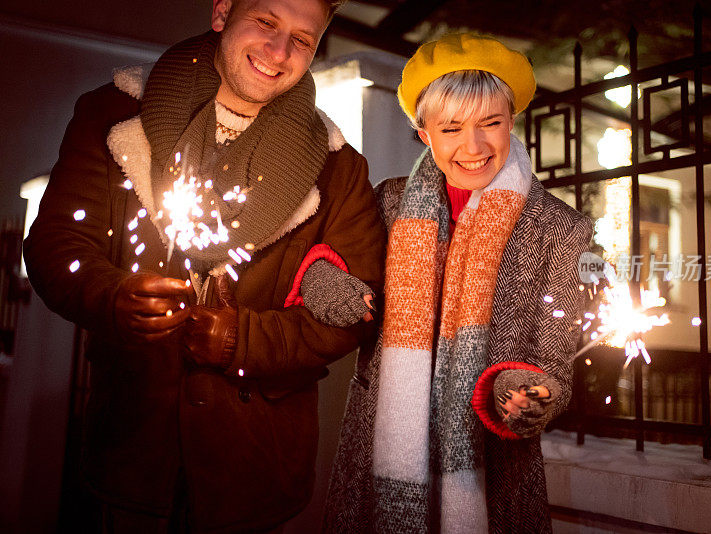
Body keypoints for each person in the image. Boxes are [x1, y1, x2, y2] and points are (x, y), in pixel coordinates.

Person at [23, 0, 384, 531]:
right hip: (134, 449)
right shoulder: (112, 114)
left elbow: (359, 305)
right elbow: (57, 242)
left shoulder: (339, 167)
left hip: (255, 466)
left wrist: (246, 340)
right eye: (265, 22)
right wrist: (112, 296)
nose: (279, 51)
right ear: (221, 13)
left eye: (302, 40)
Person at [321, 33, 592, 533]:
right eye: (451, 128)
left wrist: (523, 396)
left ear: (512, 120)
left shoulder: (561, 228)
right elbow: (338, 269)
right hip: (380, 449)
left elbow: (553, 365)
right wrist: (328, 283)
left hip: (496, 471)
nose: (474, 147)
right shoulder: (389, 202)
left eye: (491, 122)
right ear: (423, 133)